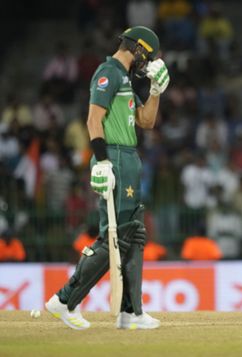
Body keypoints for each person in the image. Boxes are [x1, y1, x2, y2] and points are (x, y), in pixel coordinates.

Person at [45, 26, 170, 330]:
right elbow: (92, 119)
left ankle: (130, 311)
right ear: (138, 48)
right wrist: (101, 162)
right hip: (113, 155)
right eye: (148, 55)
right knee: (116, 236)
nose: (148, 62)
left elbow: (147, 121)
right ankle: (64, 300)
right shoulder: (109, 72)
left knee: (133, 234)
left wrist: (154, 90)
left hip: (127, 155)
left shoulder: (124, 78)